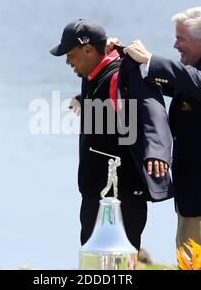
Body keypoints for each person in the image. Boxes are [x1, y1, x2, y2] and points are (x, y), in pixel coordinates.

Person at [123, 6, 201, 248]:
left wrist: (151, 60)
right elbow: (176, 81)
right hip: (194, 199)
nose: (175, 45)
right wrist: (123, 55)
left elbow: (200, 83)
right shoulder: (197, 71)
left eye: (181, 38)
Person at [50, 19, 173, 250]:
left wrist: (157, 151)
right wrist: (83, 101)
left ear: (88, 50)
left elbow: (152, 110)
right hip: (95, 196)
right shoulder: (92, 72)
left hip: (120, 200)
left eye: (70, 54)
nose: (67, 60)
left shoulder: (125, 72)